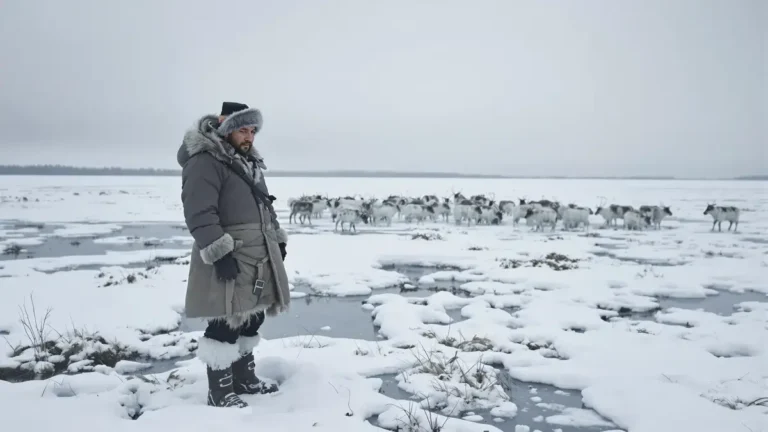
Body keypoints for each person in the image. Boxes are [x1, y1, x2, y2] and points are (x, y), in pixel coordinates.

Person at [177, 102, 290, 408]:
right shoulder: (205, 161)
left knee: (251, 317)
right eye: (243, 129)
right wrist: (218, 252)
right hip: (230, 253)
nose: (249, 136)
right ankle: (220, 391)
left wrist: (276, 238)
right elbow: (199, 212)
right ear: (226, 127)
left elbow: (265, 204)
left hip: (258, 253)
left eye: (253, 130)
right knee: (226, 322)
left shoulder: (248, 161)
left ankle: (243, 379)